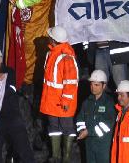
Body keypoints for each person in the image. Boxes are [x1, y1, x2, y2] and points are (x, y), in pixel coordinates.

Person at [0, 46, 35, 163]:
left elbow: (11, 90)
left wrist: (3, 80)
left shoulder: (9, 72)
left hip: (12, 115)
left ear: (0, 59)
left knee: (22, 146)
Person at [40, 26, 79, 162]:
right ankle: (55, 156)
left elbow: (71, 82)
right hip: (51, 100)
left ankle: (66, 158)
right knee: (54, 128)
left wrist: (66, 101)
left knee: (67, 128)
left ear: (54, 39)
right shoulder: (52, 53)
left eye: (50, 36)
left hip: (62, 102)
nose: (48, 38)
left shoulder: (66, 57)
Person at [76, 70, 116, 163]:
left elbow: (107, 124)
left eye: (96, 85)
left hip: (103, 146)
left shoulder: (109, 103)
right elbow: (80, 119)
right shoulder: (86, 102)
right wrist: (82, 130)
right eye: (91, 84)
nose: (93, 87)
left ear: (104, 86)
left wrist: (88, 131)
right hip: (89, 145)